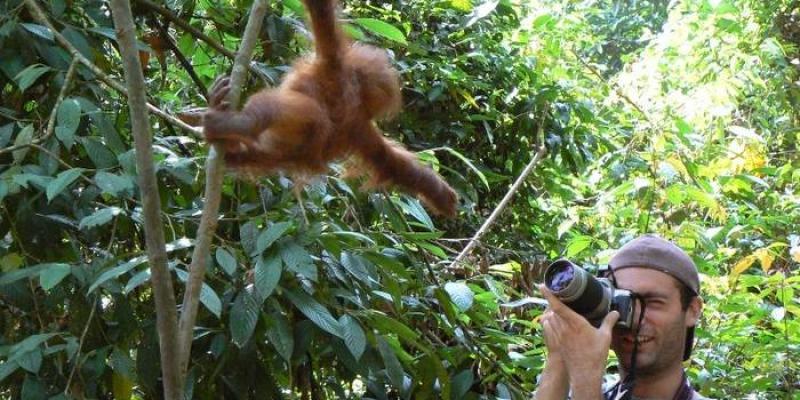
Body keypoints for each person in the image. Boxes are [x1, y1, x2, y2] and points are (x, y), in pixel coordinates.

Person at [534, 234, 711, 400]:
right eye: (621, 301)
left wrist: (586, 379)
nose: (634, 319)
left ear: (692, 310)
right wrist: (559, 356)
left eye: (653, 302)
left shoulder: (587, 389)